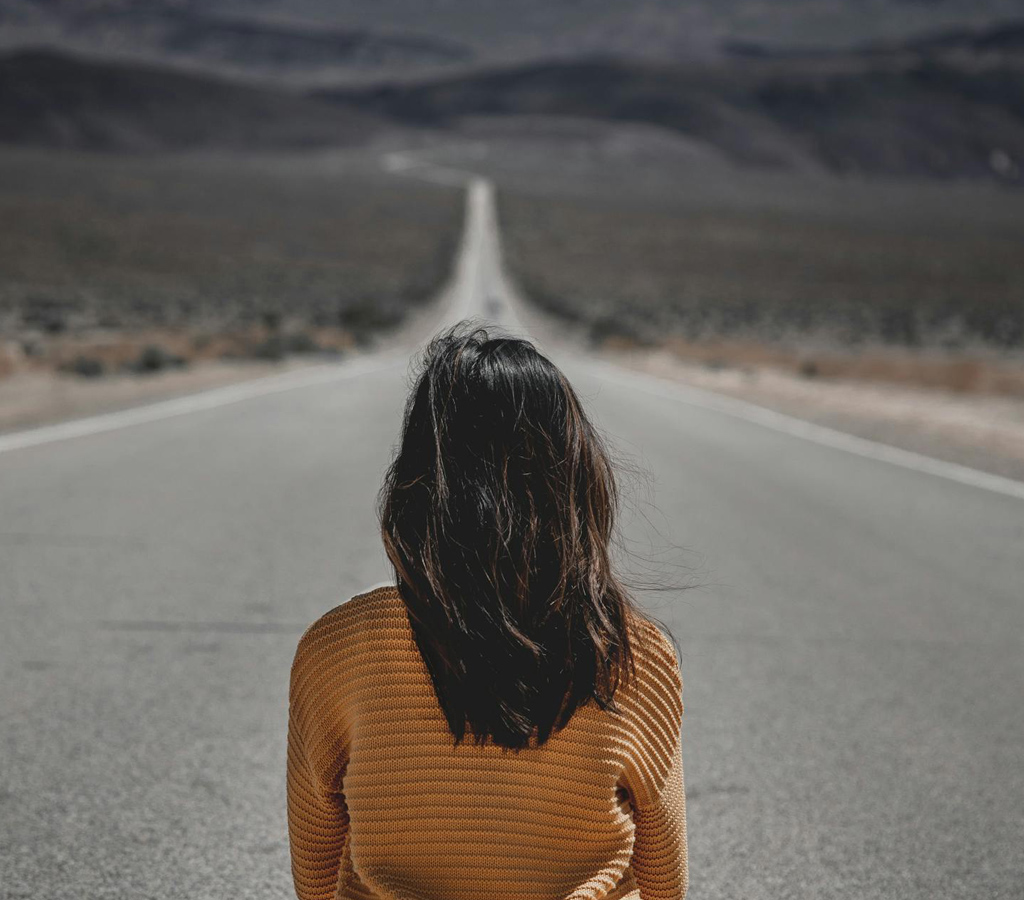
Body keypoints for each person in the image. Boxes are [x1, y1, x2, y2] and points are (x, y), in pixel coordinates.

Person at [287, 321, 688, 900]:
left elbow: (316, 862)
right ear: (577, 477)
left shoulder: (339, 645)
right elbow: (665, 873)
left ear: (417, 480)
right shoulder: (633, 652)